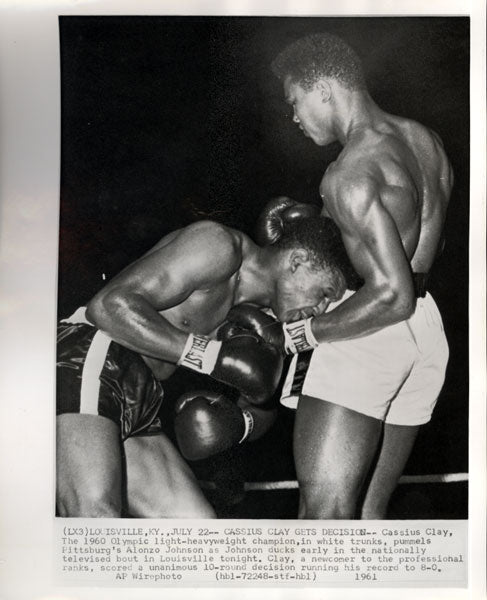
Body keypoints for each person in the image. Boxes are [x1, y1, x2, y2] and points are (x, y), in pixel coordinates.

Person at [56, 213, 356, 518]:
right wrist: (209, 356)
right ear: (299, 261)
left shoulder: (264, 322)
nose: (320, 309)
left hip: (143, 398)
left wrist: (238, 423)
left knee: (199, 534)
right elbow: (108, 307)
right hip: (94, 355)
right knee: (92, 515)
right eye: (324, 293)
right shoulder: (218, 246)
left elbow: (263, 402)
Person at [269, 33, 453, 519]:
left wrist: (304, 333)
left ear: (324, 89)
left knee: (323, 518)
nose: (293, 116)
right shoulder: (423, 140)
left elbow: (391, 294)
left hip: (374, 328)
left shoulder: (348, 172)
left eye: (295, 101)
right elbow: (401, 236)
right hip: (428, 331)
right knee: (368, 524)